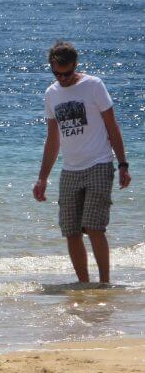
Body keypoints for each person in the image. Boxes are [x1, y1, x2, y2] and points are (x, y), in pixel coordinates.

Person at [33, 41, 131, 284]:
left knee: (94, 226)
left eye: (66, 73)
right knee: (71, 230)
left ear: (75, 65)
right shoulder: (51, 93)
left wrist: (123, 164)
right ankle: (84, 284)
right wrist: (42, 178)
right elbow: (52, 139)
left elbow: (112, 126)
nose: (62, 78)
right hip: (70, 170)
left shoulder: (93, 86)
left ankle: (104, 282)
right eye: (57, 73)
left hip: (99, 163)